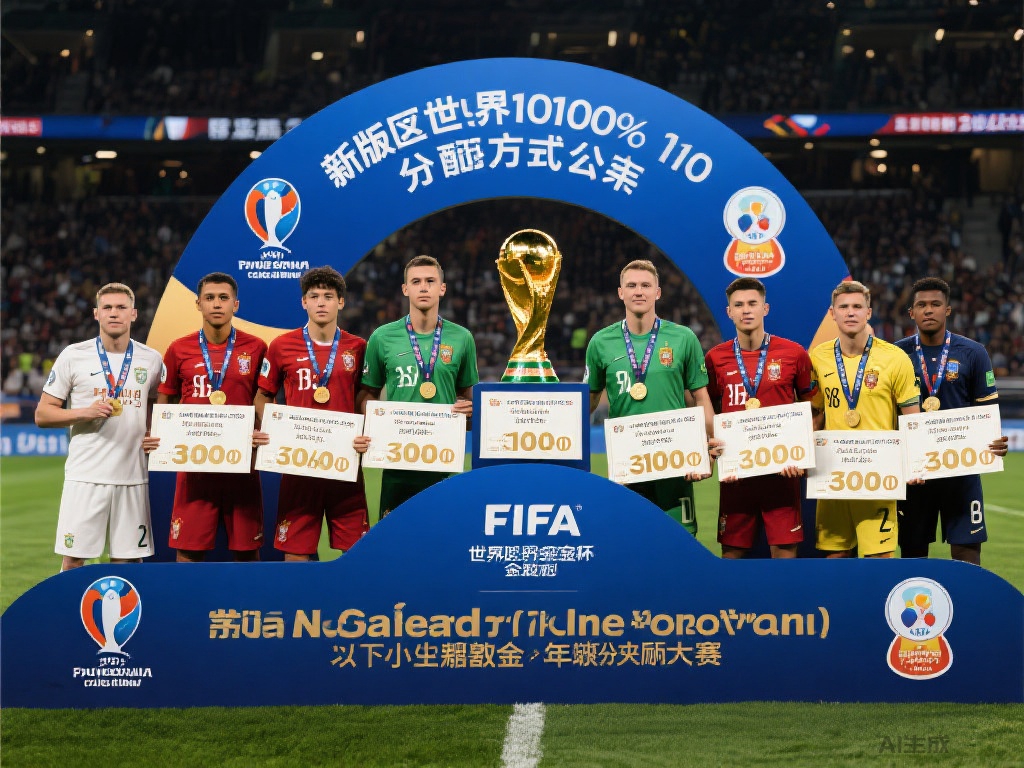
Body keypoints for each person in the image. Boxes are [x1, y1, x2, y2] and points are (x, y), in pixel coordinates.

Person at [35, 283, 165, 571]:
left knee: (129, 560)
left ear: (133, 313)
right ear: (96, 314)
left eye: (121, 307)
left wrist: (153, 432)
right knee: (74, 559)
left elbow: (159, 407)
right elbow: (43, 414)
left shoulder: (152, 359)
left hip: (133, 476)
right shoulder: (73, 355)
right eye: (107, 307)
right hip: (85, 476)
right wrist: (86, 412)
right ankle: (70, 604)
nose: (114, 313)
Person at [584, 259, 715, 535]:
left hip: (675, 461)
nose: (638, 291)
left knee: (680, 541)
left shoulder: (683, 338)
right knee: (630, 541)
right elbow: (590, 400)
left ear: (658, 292)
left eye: (646, 285)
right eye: (631, 285)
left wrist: (708, 445)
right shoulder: (600, 342)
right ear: (620, 292)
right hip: (628, 463)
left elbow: (701, 398)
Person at [254, 266, 369, 560]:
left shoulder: (358, 347)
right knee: (295, 552)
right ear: (303, 302)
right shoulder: (281, 346)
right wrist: (273, 431)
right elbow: (263, 395)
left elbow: (366, 397)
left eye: (328, 296)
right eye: (314, 296)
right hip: (299, 464)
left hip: (344, 462)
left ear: (341, 302)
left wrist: (367, 432)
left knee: (355, 553)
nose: (321, 303)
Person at [154, 272, 268, 562]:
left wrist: (265, 430)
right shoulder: (178, 349)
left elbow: (265, 399)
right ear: (198, 304)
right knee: (188, 551)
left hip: (241, 465)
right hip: (195, 467)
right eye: (209, 298)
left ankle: (245, 597)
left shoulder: (257, 348)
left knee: (247, 552)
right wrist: (161, 437)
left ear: (235, 305)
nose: (217, 304)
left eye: (223, 298)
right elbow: (165, 401)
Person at [895, 277, 1009, 565]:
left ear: (947, 310)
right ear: (911, 312)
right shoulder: (896, 355)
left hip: (961, 470)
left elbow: (987, 410)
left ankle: (967, 597)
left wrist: (995, 440)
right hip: (915, 473)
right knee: (912, 552)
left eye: (935, 304)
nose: (928, 310)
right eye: (921, 305)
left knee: (967, 550)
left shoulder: (973, 352)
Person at [355, 255, 478, 518]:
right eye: (416, 281)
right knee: (394, 539)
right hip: (396, 462)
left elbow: (469, 402)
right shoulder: (382, 337)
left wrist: (469, 411)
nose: (423, 287)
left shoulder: (462, 338)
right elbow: (367, 394)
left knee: (440, 537)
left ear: (442, 288)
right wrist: (374, 425)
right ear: (405, 289)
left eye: (430, 281)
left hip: (442, 462)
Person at [704, 277, 818, 559]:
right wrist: (711, 441)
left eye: (752, 303)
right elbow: (707, 408)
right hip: (736, 476)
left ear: (765, 308)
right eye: (738, 305)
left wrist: (802, 452)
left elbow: (814, 408)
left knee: (784, 556)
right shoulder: (715, 358)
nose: (746, 310)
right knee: (732, 556)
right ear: (729, 311)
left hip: (782, 475)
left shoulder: (794, 353)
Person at [810, 280, 920, 559]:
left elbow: (913, 421)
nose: (851, 312)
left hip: (878, 478)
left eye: (857, 306)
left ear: (868, 313)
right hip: (833, 477)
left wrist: (916, 463)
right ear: (832, 313)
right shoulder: (818, 358)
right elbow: (814, 415)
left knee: (879, 563)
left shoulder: (895, 358)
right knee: (834, 562)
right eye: (843, 307)